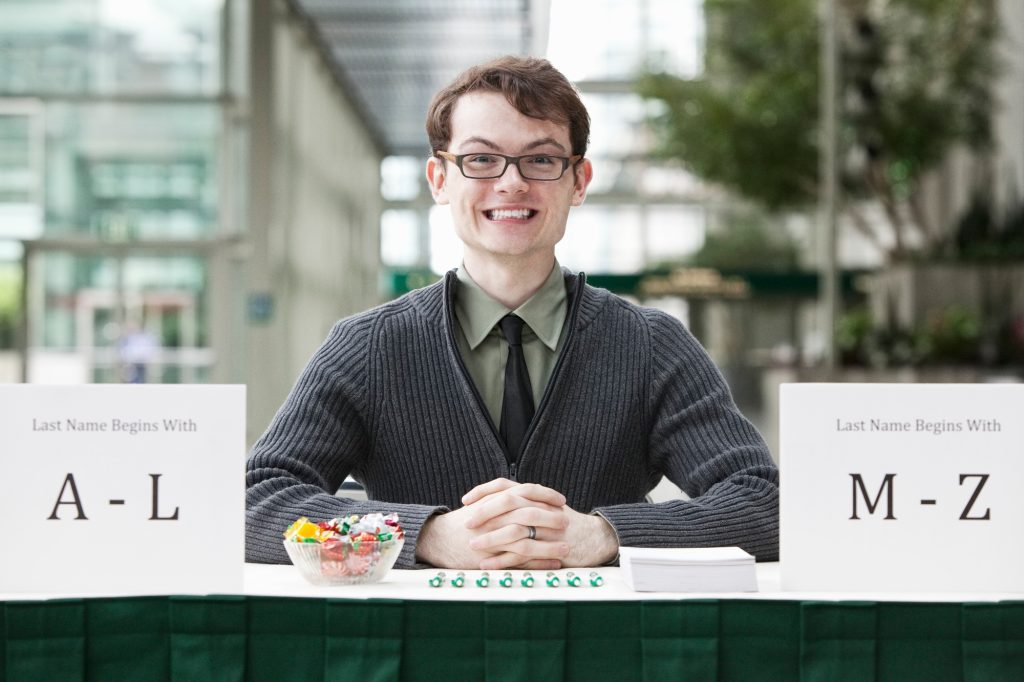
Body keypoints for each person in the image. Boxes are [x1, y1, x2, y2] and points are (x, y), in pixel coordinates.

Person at [245, 56, 779, 570]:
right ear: (439, 179)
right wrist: (420, 534)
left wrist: (606, 534)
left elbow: (764, 502)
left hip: (599, 631)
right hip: (421, 630)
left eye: (541, 160)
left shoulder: (651, 345)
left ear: (578, 181)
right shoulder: (368, 346)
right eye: (481, 159)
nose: (511, 183)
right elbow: (255, 501)